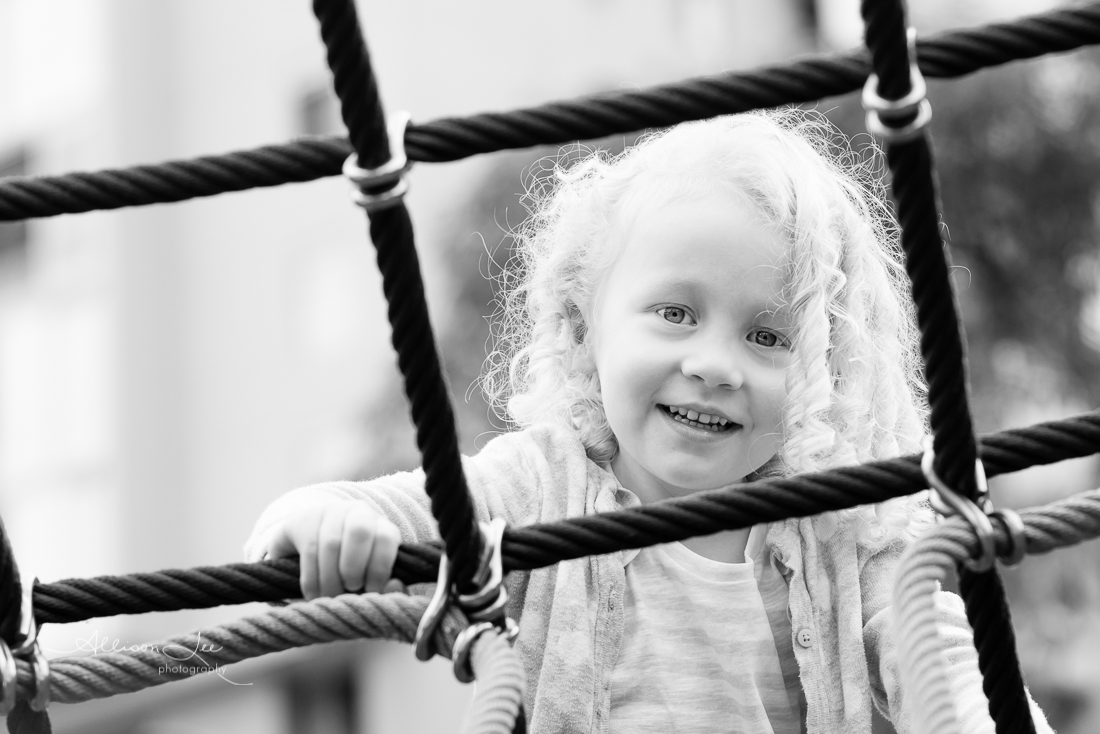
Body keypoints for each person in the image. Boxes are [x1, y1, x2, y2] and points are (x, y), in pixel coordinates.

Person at [244, 111, 1051, 734]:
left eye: (768, 336)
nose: (715, 363)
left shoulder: (842, 527)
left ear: (820, 372)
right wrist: (324, 520)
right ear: (582, 322)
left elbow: (942, 650)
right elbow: (396, 508)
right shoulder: (542, 483)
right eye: (675, 312)